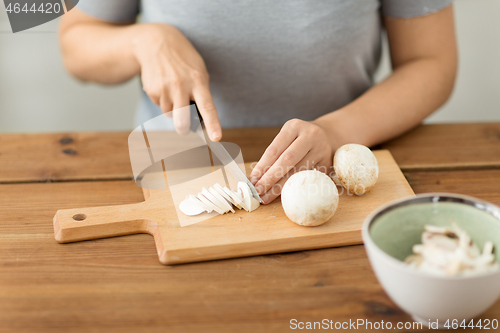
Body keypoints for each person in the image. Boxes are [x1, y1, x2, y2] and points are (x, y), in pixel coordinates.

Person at [59, 0, 457, 204]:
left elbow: (432, 62)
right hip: (175, 166)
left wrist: (338, 131)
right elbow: (75, 41)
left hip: (336, 173)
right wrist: (142, 40)